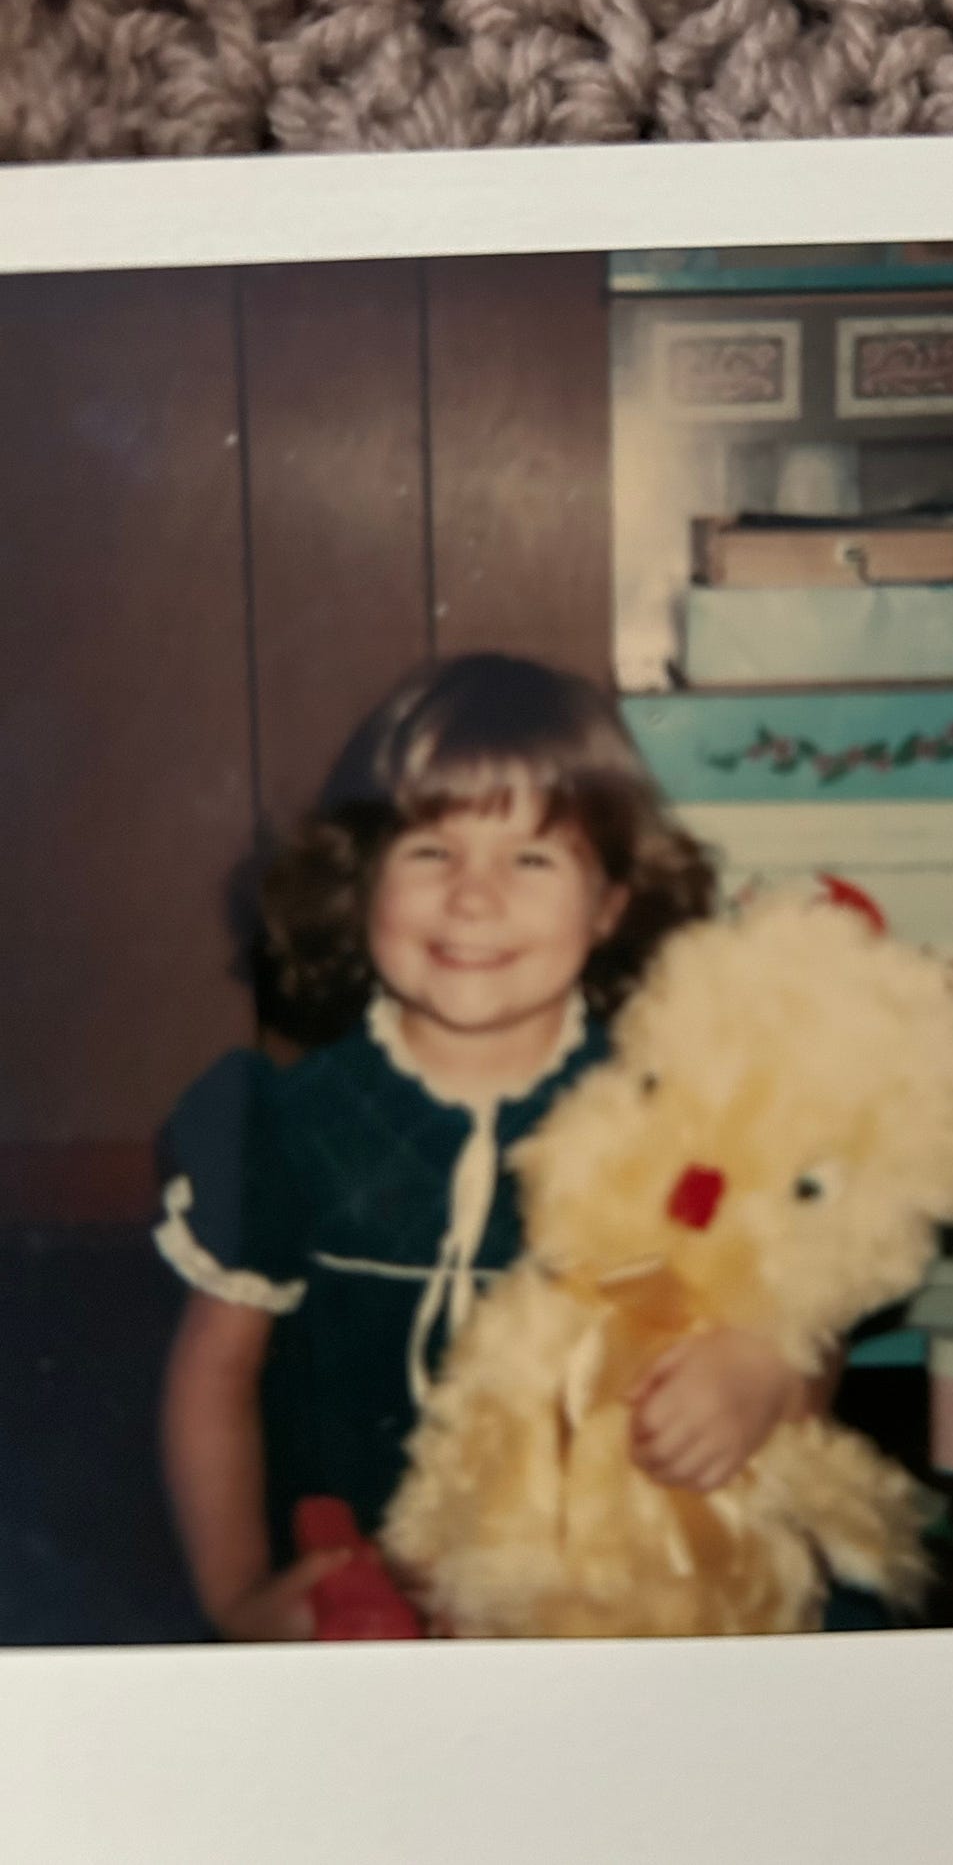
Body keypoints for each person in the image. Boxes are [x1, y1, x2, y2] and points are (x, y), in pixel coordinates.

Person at [155, 653, 837, 1643]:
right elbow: (212, 1379)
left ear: (610, 905)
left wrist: (765, 1369)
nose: (474, 898)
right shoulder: (287, 1123)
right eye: (432, 851)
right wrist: (236, 1599)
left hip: (594, 1582)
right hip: (361, 1575)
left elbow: (802, 1298)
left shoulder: (668, 1111)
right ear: (362, 880)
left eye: (532, 860)